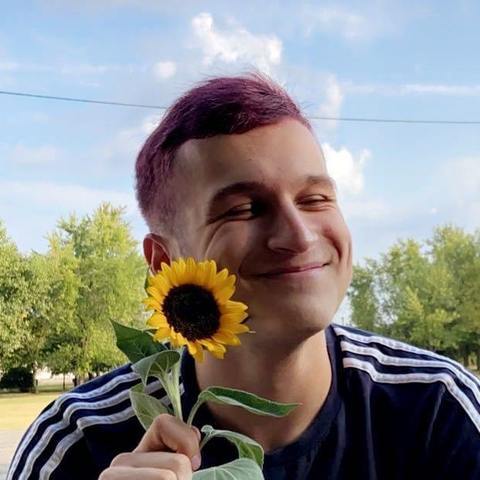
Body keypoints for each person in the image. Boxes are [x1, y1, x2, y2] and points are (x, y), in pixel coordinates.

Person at [8, 73, 480, 480]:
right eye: (244, 208)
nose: (299, 235)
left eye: (315, 199)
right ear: (163, 262)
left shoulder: (438, 412)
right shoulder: (78, 442)